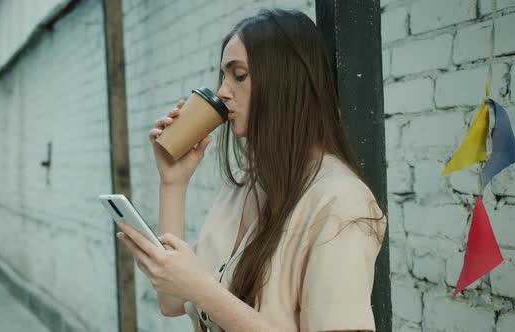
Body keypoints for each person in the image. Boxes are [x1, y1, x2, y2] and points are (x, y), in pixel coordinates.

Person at [115, 8, 387, 332]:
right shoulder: (242, 189)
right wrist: (173, 184)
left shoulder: (341, 201)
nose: (223, 92)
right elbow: (172, 302)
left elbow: (198, 291)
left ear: (286, 80)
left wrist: (203, 288)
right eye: (224, 77)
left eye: (239, 75)